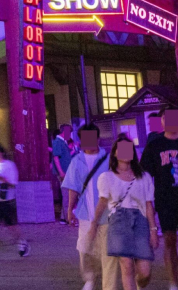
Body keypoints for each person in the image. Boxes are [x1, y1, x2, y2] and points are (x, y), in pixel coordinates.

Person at [89, 133, 158, 290]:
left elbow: (149, 205)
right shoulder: (107, 177)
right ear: (114, 153)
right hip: (119, 222)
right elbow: (102, 202)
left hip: (140, 222)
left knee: (144, 272)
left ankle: (139, 284)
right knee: (126, 265)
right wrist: (94, 224)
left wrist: (153, 230)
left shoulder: (144, 177)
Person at [141, 108, 178, 290]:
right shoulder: (154, 146)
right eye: (166, 118)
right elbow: (144, 175)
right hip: (165, 200)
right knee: (169, 240)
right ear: (162, 121)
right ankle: (173, 284)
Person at [63, 123, 115, 290]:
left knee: (108, 252)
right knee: (84, 248)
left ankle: (108, 285)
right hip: (85, 213)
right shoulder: (76, 161)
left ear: (98, 138)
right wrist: (70, 209)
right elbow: (73, 187)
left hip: (108, 213)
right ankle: (90, 278)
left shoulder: (109, 159)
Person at [0, 142, 29, 261]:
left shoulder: (9, 165)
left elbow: (13, 182)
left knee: (11, 226)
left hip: (6, 200)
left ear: (0, 152)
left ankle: (22, 242)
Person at [54, 124, 74, 224]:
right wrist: (61, 172)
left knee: (67, 195)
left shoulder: (63, 142)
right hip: (64, 173)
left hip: (66, 172)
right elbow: (56, 157)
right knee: (67, 195)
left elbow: (63, 157)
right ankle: (67, 218)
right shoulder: (58, 142)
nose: (70, 134)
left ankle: (63, 217)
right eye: (69, 132)